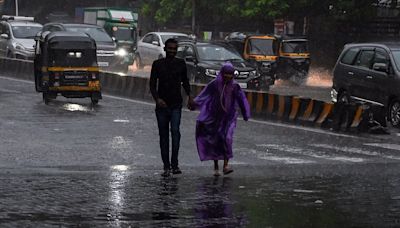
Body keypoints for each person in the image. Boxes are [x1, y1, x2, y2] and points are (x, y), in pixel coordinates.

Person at [193, 62, 250, 176]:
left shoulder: (235, 86)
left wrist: (245, 113)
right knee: (216, 139)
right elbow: (204, 95)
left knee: (227, 138)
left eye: (230, 74)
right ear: (222, 73)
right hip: (215, 116)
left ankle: (225, 165)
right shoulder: (215, 84)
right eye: (226, 74)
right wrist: (194, 103)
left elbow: (242, 99)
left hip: (229, 117)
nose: (228, 76)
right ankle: (216, 166)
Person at [150, 38, 195, 177]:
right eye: (169, 49)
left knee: (175, 133)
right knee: (164, 136)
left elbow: (185, 82)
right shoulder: (157, 64)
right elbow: (152, 85)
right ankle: (166, 167)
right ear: (165, 49)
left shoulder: (181, 64)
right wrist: (157, 99)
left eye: (174, 49)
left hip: (176, 104)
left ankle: (175, 165)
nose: (172, 51)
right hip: (162, 106)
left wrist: (189, 96)